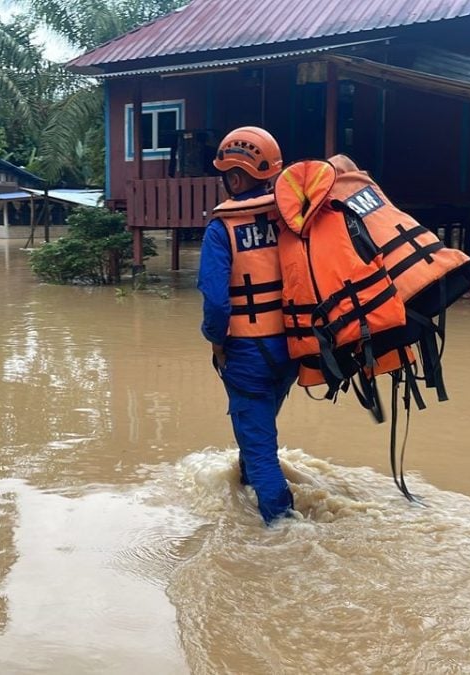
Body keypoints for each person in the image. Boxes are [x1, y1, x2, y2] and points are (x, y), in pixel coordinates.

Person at [197, 126, 298, 524]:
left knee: (260, 449)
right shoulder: (290, 218)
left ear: (235, 179)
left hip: (247, 352)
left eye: (226, 174)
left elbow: (216, 303)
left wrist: (216, 342)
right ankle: (245, 480)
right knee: (259, 428)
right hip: (292, 347)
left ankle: (283, 529)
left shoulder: (221, 230)